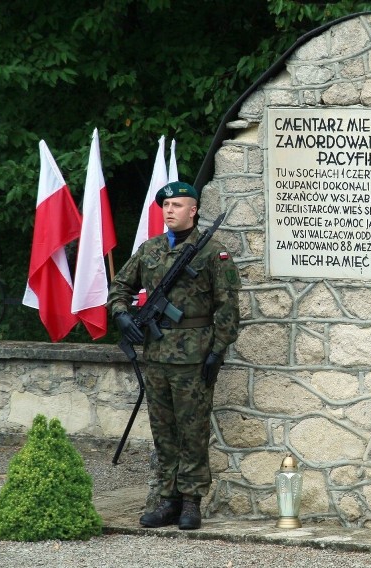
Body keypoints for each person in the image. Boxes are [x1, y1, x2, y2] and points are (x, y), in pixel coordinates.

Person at [107, 181, 241, 530]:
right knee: (163, 430)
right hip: (156, 355)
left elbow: (228, 307)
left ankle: (191, 502)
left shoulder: (213, 252)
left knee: (192, 430)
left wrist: (217, 352)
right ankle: (167, 499)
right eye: (165, 205)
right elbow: (120, 287)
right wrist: (122, 315)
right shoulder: (149, 249)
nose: (170, 211)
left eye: (178, 205)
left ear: (193, 210)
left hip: (194, 356)